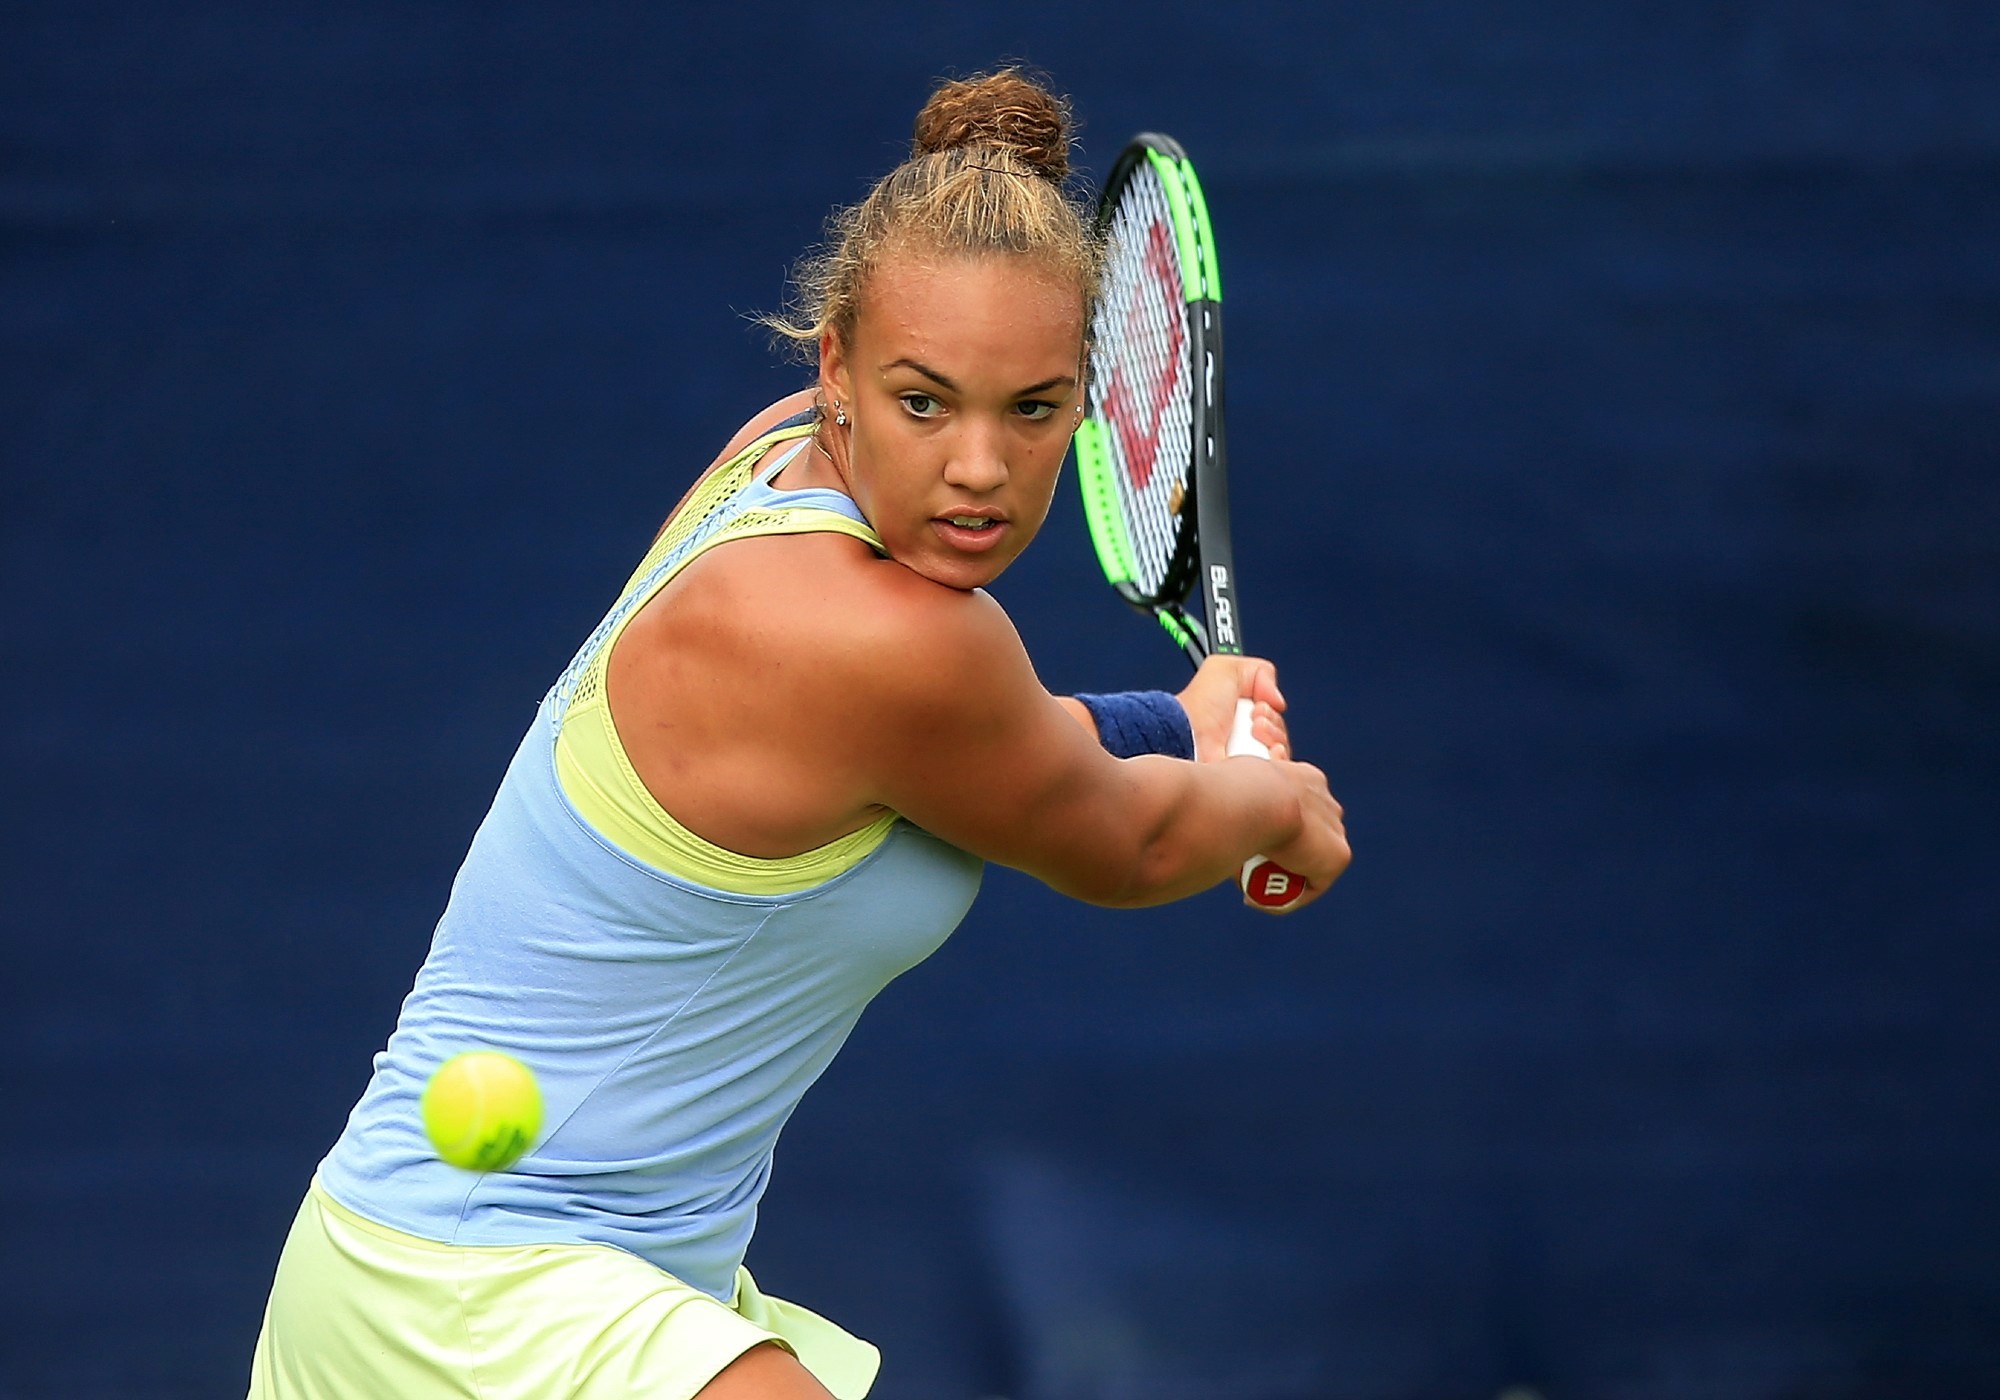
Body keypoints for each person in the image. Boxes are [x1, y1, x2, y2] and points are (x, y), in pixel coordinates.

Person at [245, 68, 1349, 1400]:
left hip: (459, 1265)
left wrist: (1175, 718)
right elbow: (1128, 842)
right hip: (483, 1295)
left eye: (1035, 409)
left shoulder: (778, 464)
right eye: (924, 402)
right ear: (836, 366)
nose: (981, 469)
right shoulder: (892, 641)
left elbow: (987, 757)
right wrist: (1279, 803)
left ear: (1087, 399)